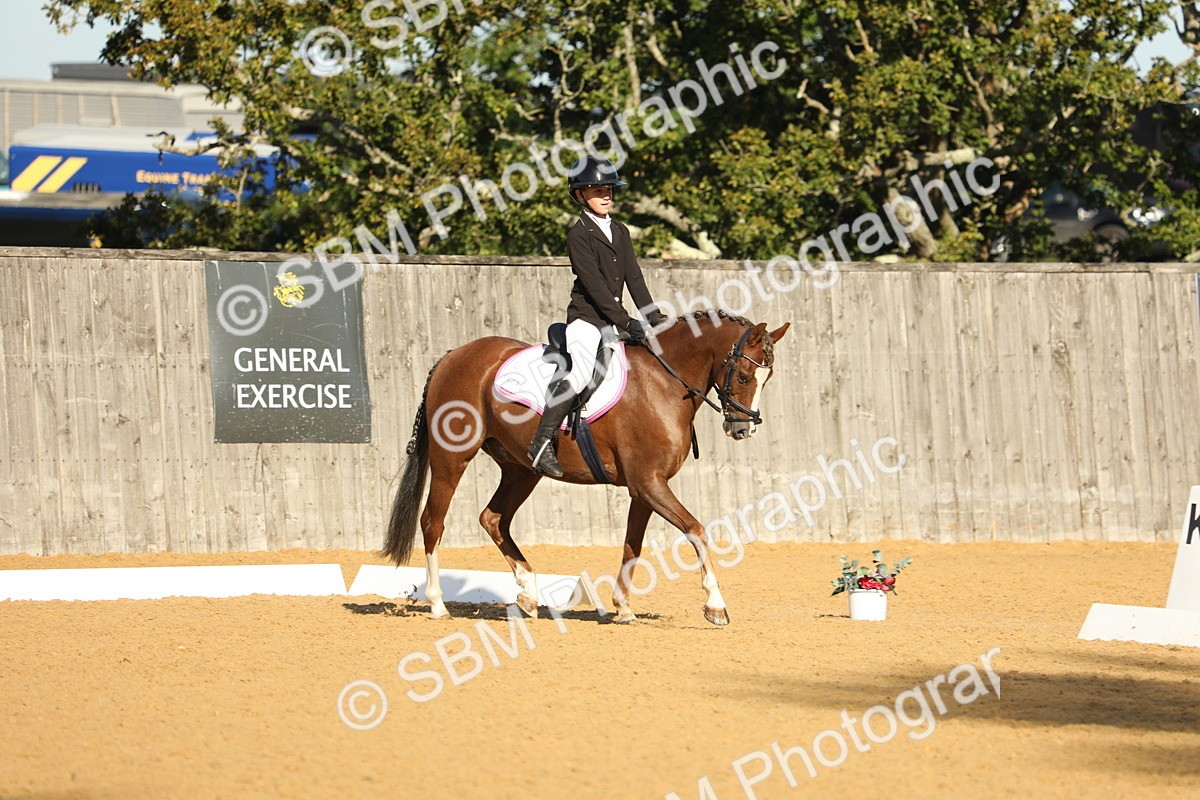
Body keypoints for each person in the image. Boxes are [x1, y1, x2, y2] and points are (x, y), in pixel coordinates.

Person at [526, 155, 669, 478]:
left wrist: (654, 318)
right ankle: (541, 441)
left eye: (608, 189)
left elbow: (634, 279)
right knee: (578, 375)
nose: (606, 195)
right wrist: (626, 322)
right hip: (587, 321)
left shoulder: (620, 230)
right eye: (596, 190)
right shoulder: (579, 235)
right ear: (579, 195)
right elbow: (595, 287)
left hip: (614, 323)